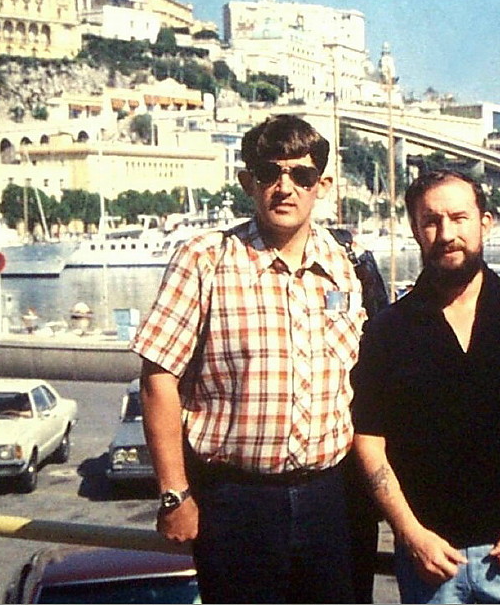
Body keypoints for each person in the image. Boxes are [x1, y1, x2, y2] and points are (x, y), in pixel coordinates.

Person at [131, 114, 364, 603]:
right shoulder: (205, 259)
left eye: (300, 175)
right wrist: (176, 494)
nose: (285, 187)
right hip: (236, 502)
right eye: (269, 174)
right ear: (247, 182)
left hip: (332, 501)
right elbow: (158, 380)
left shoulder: (345, 265)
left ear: (321, 185)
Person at [350, 169, 500, 604]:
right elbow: (369, 439)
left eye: (459, 218)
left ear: (485, 223)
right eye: (431, 221)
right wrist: (409, 533)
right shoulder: (389, 330)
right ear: (416, 230)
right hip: (429, 561)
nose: (446, 233)